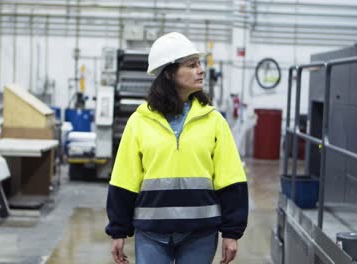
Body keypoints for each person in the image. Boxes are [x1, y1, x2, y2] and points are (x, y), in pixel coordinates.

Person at [105, 32, 249, 264]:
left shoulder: (214, 121)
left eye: (199, 64)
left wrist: (232, 232)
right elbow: (124, 179)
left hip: (200, 234)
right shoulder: (139, 122)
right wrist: (118, 231)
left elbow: (230, 178)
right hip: (151, 234)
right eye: (191, 65)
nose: (200, 70)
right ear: (169, 73)